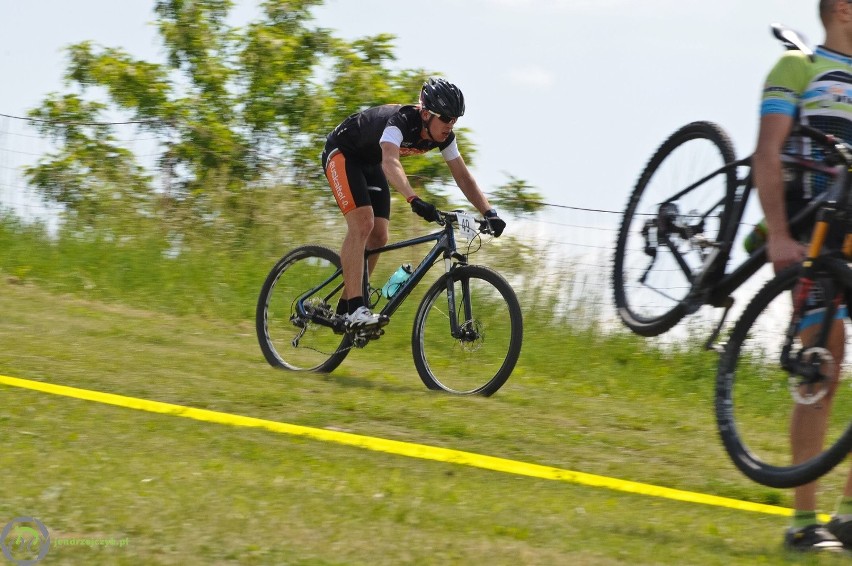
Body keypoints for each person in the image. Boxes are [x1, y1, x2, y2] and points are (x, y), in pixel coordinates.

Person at [752, 0, 852, 553]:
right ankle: (803, 524)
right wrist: (777, 233)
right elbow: (767, 154)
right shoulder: (797, 68)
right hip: (814, 232)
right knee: (827, 359)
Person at [321, 77, 506, 329]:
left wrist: (489, 212)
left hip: (369, 163)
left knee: (379, 236)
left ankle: (346, 308)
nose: (450, 125)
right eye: (446, 118)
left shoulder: (443, 136)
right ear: (427, 114)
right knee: (363, 223)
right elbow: (390, 161)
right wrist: (413, 198)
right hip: (343, 152)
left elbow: (462, 176)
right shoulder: (402, 121)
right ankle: (355, 308)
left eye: (455, 120)